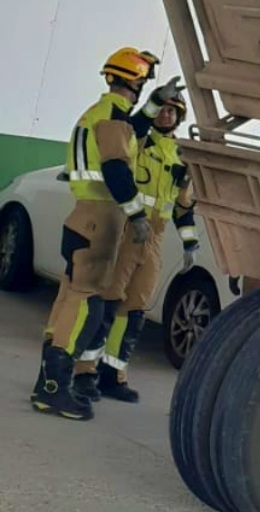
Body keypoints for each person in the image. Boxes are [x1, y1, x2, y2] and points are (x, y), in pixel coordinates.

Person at [31, 47, 185, 420]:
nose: (142, 88)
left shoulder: (100, 113)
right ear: (132, 80)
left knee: (69, 300)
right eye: (142, 81)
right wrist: (136, 215)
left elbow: (133, 129)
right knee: (87, 305)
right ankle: (56, 389)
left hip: (84, 216)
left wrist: (153, 103)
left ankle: (46, 383)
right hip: (101, 219)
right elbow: (117, 169)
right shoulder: (111, 117)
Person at [73, 97, 199, 404]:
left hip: (154, 239)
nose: (166, 114)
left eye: (173, 110)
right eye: (163, 109)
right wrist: (151, 105)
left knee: (134, 309)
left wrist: (189, 242)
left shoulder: (182, 156)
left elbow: (183, 205)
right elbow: (131, 131)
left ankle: (113, 375)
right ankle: (84, 373)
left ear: (180, 116)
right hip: (127, 230)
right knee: (106, 302)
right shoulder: (138, 140)